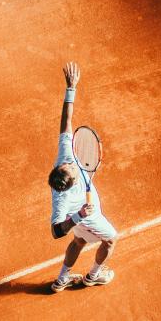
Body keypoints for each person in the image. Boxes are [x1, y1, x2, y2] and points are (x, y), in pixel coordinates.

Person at [48, 62, 117, 293]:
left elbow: (65, 122)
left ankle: (61, 280)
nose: (72, 163)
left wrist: (71, 88)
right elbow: (57, 231)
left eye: (68, 164)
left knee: (79, 241)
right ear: (71, 183)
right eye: (72, 169)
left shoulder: (64, 157)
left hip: (80, 220)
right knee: (110, 239)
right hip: (87, 218)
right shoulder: (62, 199)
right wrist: (79, 216)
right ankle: (93, 276)